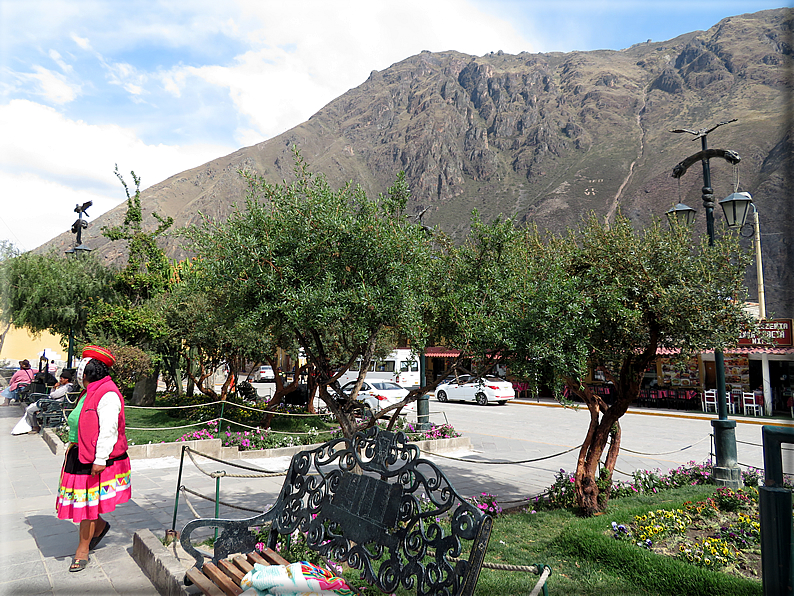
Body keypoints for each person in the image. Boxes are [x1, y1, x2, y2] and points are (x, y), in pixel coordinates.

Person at [56, 346, 132, 572]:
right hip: (78, 453)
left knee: (87, 504)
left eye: (82, 367)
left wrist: (100, 459)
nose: (79, 372)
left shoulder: (107, 393)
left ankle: (82, 548)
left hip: (93, 458)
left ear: (90, 370)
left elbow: (108, 429)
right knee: (86, 502)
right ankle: (99, 527)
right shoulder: (89, 391)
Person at [12, 369, 75, 435]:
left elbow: (53, 395)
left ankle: (35, 427)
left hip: (54, 404)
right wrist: (54, 388)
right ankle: (34, 424)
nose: (60, 380)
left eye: (61, 378)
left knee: (30, 410)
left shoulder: (67, 387)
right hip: (51, 402)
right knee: (31, 407)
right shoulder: (63, 386)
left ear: (66, 379)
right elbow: (53, 394)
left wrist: (54, 390)